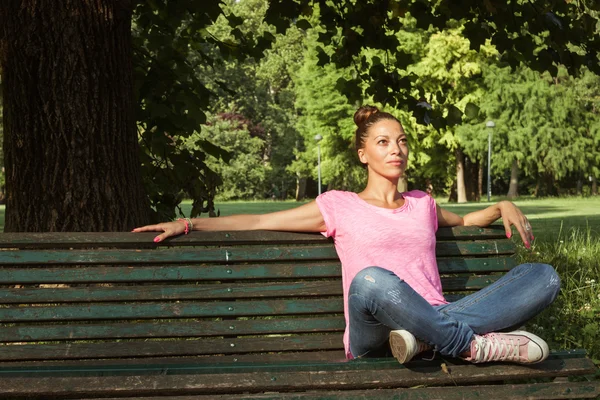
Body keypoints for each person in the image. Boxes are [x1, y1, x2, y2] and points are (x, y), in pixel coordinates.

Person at [133, 105, 560, 365]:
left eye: (401, 141)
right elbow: (261, 221)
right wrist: (189, 223)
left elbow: (466, 221)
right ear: (363, 154)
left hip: (421, 323)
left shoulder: (422, 204)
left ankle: (427, 341)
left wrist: (502, 205)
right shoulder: (338, 205)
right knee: (371, 279)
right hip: (373, 333)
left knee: (543, 275)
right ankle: (468, 346)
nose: (396, 149)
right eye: (382, 141)